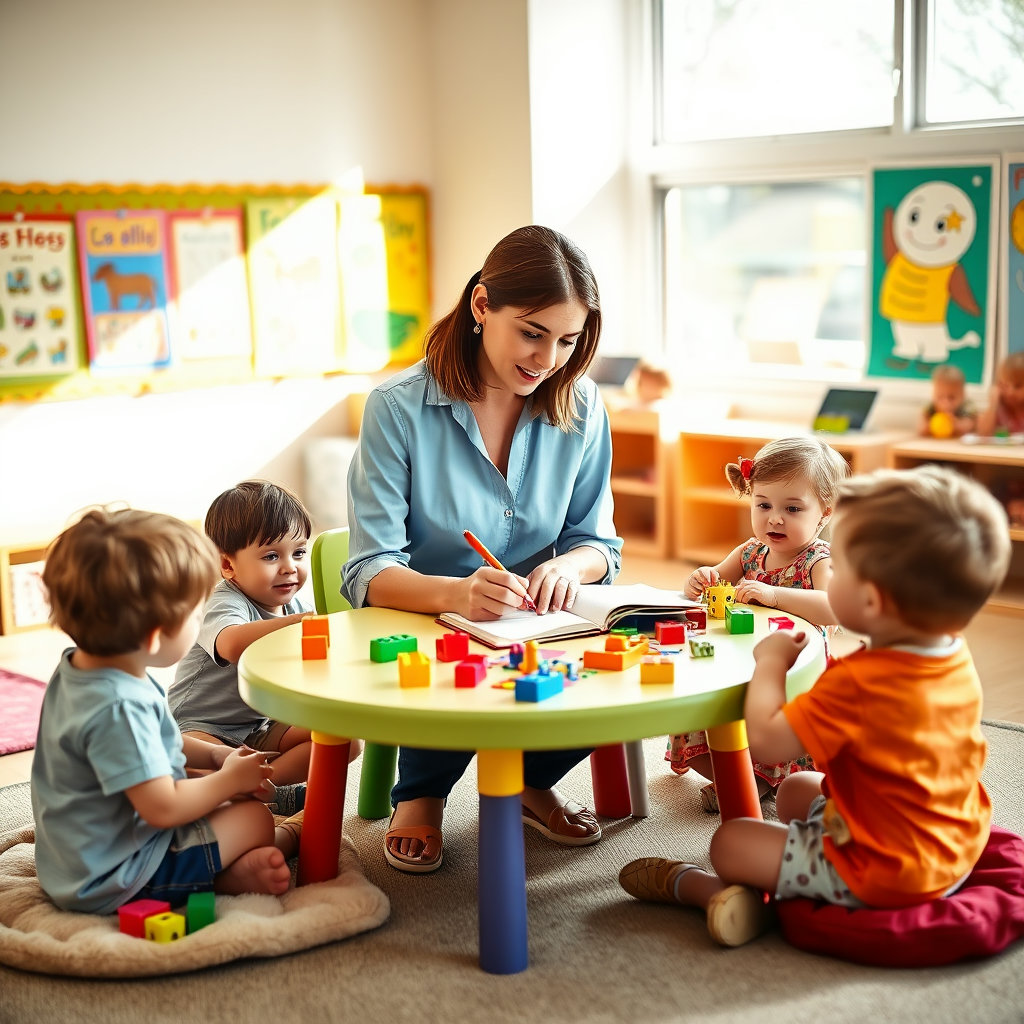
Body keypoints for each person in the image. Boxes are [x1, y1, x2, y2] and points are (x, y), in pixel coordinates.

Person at [621, 465, 1010, 948]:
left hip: (886, 871)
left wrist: (770, 663)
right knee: (796, 790)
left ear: (869, 600)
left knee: (732, 841)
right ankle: (809, 866)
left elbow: (765, 737)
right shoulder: (950, 653)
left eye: (839, 569)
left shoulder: (859, 684)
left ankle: (709, 891)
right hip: (950, 840)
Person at [343, 224, 623, 873]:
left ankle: (527, 778)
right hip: (424, 619)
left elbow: (599, 543)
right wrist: (455, 594)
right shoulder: (397, 407)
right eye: (532, 332)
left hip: (536, 622)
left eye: (567, 339)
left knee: (624, 678)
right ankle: (424, 791)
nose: (548, 357)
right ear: (481, 307)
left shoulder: (581, 406)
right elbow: (369, 568)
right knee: (454, 663)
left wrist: (566, 565)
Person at [32, 507, 304, 914]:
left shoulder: (85, 668)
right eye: (195, 614)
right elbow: (164, 807)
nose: (201, 622)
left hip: (83, 858)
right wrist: (227, 782)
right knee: (253, 819)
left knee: (220, 795)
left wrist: (215, 757)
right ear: (156, 634)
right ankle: (243, 866)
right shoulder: (120, 708)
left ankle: (221, 869)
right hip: (115, 879)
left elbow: (157, 741)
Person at [667, 437, 849, 812]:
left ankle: (767, 780)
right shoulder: (749, 552)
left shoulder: (817, 560)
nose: (774, 518)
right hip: (739, 666)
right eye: (763, 504)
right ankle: (746, 777)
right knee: (704, 725)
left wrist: (774, 596)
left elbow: (835, 607)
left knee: (786, 753)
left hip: (792, 679)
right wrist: (699, 580)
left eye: (793, 508)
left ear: (825, 514)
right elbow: (714, 582)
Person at [169, 480, 359, 813]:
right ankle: (250, 792)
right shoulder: (222, 600)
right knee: (176, 765)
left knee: (345, 739)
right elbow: (231, 644)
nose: (290, 567)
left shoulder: (294, 609)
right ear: (228, 566)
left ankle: (261, 788)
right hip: (201, 729)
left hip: (259, 728)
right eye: (271, 556)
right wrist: (302, 624)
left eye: (298, 552)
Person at [918, 363, 976, 438]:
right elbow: (921, 429)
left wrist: (954, 422)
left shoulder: (966, 407)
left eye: (951, 397)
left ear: (963, 395)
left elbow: (968, 427)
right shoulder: (930, 406)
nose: (946, 402)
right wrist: (934, 424)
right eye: (940, 397)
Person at [977, 351, 1024, 437]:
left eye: (1018, 386)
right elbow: (983, 433)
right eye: (1005, 385)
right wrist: (993, 404)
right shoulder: (1000, 408)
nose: (1010, 392)